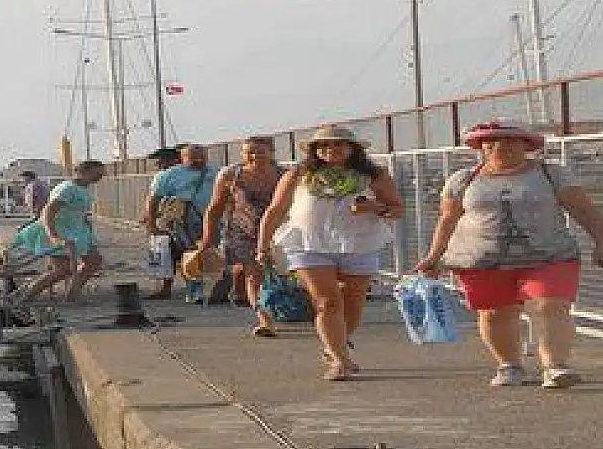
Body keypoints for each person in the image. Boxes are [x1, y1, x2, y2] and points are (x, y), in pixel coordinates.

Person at [417, 119, 603, 389]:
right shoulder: (462, 180)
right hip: (481, 260)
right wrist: (434, 255)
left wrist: (600, 239)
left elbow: (584, 209)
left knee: (550, 304)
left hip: (550, 255)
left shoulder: (552, 173)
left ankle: (555, 365)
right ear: (480, 147)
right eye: (489, 142)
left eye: (508, 140)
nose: (498, 146)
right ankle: (509, 365)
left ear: (526, 144)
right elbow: (448, 219)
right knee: (494, 313)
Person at [256, 125, 404, 381]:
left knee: (353, 304)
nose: (331, 150)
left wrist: (374, 207)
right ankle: (340, 360)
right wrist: (262, 244)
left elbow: (397, 209)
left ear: (352, 149)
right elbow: (276, 210)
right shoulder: (299, 174)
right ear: (314, 151)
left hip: (359, 244)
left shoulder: (373, 175)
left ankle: (337, 343)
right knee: (327, 302)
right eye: (324, 146)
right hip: (309, 244)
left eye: (339, 145)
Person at [202, 136, 287, 336]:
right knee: (254, 275)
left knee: (285, 274)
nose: (255, 155)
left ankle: (286, 307)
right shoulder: (230, 175)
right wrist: (208, 239)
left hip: (280, 231)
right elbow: (214, 208)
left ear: (272, 151)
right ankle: (264, 320)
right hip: (243, 232)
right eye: (249, 151)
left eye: (260, 151)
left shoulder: (285, 175)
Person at [11, 160, 107, 303]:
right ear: (84, 172)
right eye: (97, 173)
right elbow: (48, 211)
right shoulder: (67, 188)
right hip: (60, 230)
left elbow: (78, 211)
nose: (100, 176)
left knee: (93, 261)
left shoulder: (83, 188)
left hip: (77, 231)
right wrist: (53, 235)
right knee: (62, 270)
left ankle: (73, 294)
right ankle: (26, 295)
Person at [145, 144, 219, 303]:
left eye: (202, 156)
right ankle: (194, 290)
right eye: (193, 157)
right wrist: (151, 224)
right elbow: (153, 200)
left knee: (210, 253)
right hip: (182, 220)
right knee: (188, 253)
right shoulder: (168, 175)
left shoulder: (216, 173)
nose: (199, 160)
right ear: (182, 158)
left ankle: (215, 289)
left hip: (211, 218)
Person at [141, 147, 184, 299]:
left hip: (175, 220)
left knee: (167, 253)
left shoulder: (165, 176)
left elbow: (153, 200)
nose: (159, 164)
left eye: (162, 160)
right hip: (171, 217)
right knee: (169, 254)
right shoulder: (173, 175)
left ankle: (166, 289)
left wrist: (151, 222)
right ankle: (168, 288)